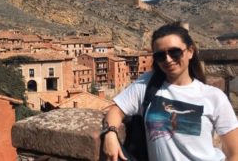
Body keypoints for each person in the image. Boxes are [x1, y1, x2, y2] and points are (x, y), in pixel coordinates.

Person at [102, 23, 238, 161]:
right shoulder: (147, 85)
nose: (168, 59)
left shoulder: (214, 96)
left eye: (175, 52)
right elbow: (117, 110)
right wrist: (110, 133)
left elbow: (235, 153)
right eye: (160, 55)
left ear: (190, 52)